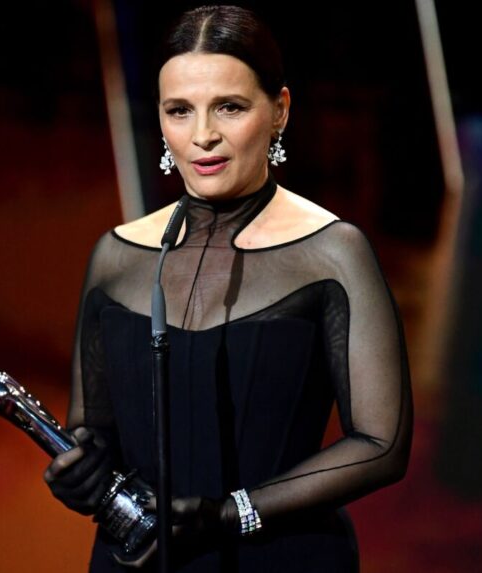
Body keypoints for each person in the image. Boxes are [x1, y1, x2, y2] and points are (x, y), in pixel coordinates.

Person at [44, 5, 413, 571]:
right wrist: (79, 471)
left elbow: (381, 445)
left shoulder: (332, 251)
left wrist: (230, 513)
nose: (203, 136)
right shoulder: (117, 255)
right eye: (180, 111)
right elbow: (92, 431)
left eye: (230, 107)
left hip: (282, 557)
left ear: (279, 111)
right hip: (140, 561)